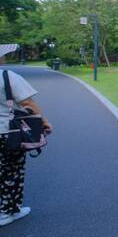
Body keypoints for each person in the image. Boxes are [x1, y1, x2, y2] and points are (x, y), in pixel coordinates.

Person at [0, 58, 53, 226]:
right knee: (11, 170)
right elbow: (27, 102)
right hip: (8, 131)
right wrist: (44, 122)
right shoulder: (7, 76)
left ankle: (10, 209)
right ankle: (6, 211)